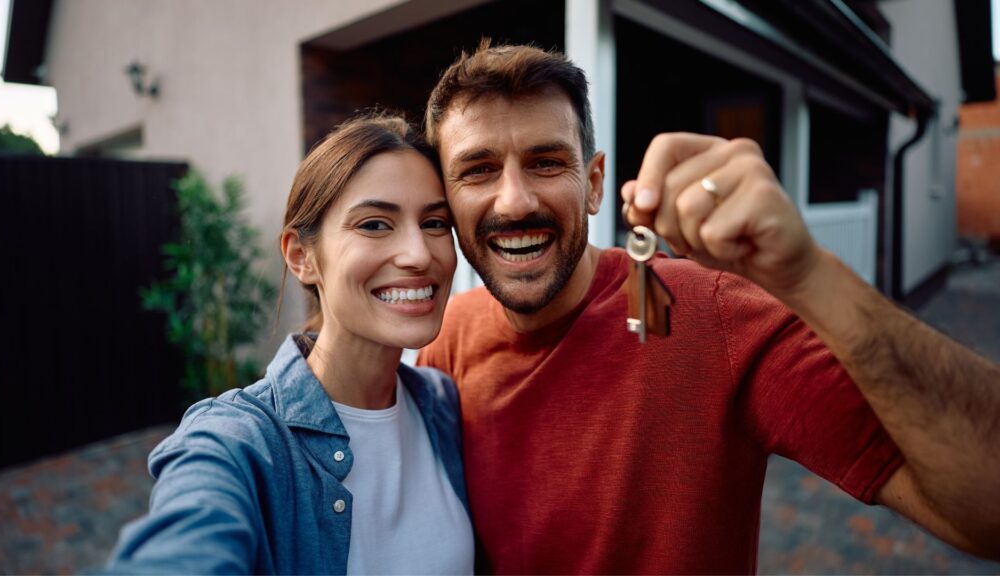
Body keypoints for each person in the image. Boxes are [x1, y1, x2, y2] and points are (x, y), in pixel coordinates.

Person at [418, 41, 1000, 573]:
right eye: (479, 170)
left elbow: (986, 512)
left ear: (595, 184)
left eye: (547, 162)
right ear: (445, 200)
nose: (515, 200)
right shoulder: (449, 340)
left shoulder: (709, 313)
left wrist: (810, 278)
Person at [107, 113, 474, 574]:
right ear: (302, 257)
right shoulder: (240, 442)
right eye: (375, 225)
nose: (419, 254)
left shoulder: (441, 406)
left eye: (435, 223)